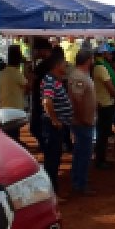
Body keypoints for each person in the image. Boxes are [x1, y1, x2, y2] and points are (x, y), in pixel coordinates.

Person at [40, 50, 74, 198]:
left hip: (56, 125)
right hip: (52, 126)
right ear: (57, 65)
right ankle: (52, 192)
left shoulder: (54, 79)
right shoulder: (49, 80)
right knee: (52, 160)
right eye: (64, 63)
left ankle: (53, 190)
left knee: (55, 157)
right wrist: (54, 119)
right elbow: (47, 101)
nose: (66, 66)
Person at [67, 49, 98, 196]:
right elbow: (76, 99)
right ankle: (79, 183)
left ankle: (80, 182)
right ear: (88, 60)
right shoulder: (79, 76)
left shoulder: (82, 75)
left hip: (85, 120)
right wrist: (81, 118)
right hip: (83, 122)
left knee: (83, 153)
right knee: (83, 153)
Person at [92, 44, 115, 168]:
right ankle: (100, 160)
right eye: (109, 54)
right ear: (103, 54)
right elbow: (110, 87)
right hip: (105, 104)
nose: (111, 56)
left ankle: (101, 158)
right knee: (103, 134)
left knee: (103, 133)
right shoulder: (101, 68)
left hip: (102, 102)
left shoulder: (99, 66)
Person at [0, 45, 28, 111]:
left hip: (3, 108)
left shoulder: (2, 73)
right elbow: (27, 87)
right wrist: (27, 68)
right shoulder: (15, 73)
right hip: (15, 109)